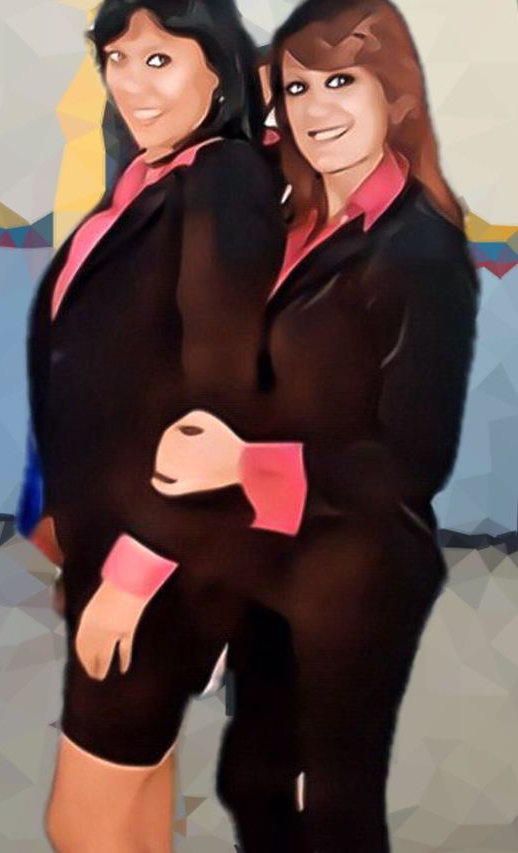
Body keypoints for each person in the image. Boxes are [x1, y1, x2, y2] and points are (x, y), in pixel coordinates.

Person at [152, 1, 480, 849]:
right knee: (251, 777)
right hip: (273, 547)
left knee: (336, 802)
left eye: (343, 81)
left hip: (361, 563)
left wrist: (242, 463)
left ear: (394, 94)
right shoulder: (294, 216)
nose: (316, 107)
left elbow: (413, 459)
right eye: (299, 88)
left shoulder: (419, 250)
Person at [19, 1, 289, 849]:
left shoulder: (225, 180)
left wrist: (134, 575)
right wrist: (69, 521)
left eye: (160, 59)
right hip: (121, 537)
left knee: (83, 821)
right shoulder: (153, 177)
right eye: (117, 58)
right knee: (135, 787)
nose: (131, 83)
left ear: (219, 68)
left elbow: (222, 404)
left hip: (164, 550)